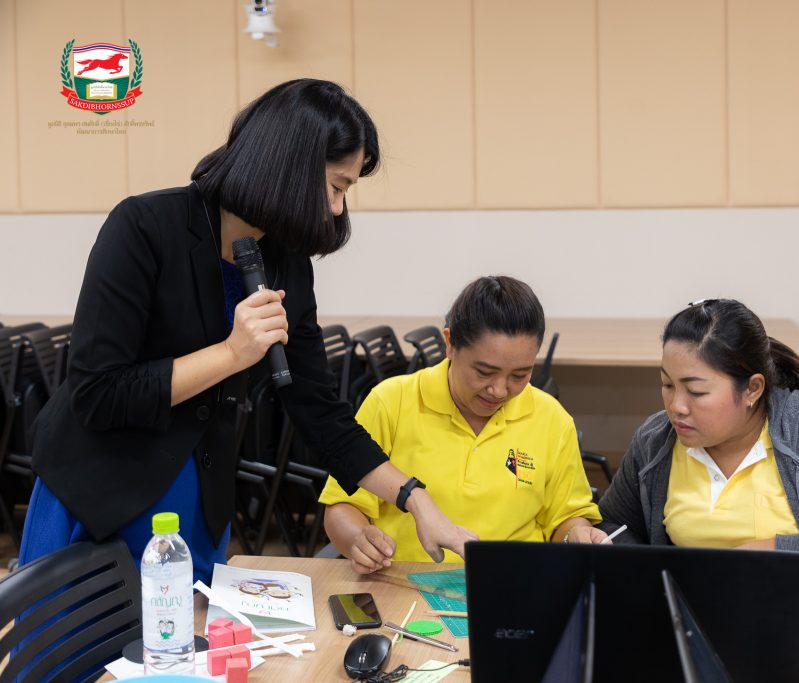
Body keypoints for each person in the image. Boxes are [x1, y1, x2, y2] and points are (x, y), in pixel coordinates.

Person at [20, 79, 476, 584]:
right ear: (290, 168)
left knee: (189, 631)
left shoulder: (287, 263)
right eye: (336, 187)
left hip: (196, 492)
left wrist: (416, 500)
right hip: (100, 492)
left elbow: (319, 411)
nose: (337, 208)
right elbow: (99, 393)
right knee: (86, 634)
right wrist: (233, 354)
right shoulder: (146, 227)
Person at [598, 299, 799, 584]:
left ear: (752, 390)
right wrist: (648, 570)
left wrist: (772, 553)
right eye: (667, 385)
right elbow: (613, 524)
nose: (676, 406)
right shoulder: (656, 441)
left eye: (696, 391)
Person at [320, 276, 604, 572]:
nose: (499, 390)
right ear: (450, 343)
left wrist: (575, 535)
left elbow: (565, 519)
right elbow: (342, 505)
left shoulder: (552, 419)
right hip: (403, 583)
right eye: (484, 372)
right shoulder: (392, 403)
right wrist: (358, 540)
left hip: (511, 583)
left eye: (519, 375)